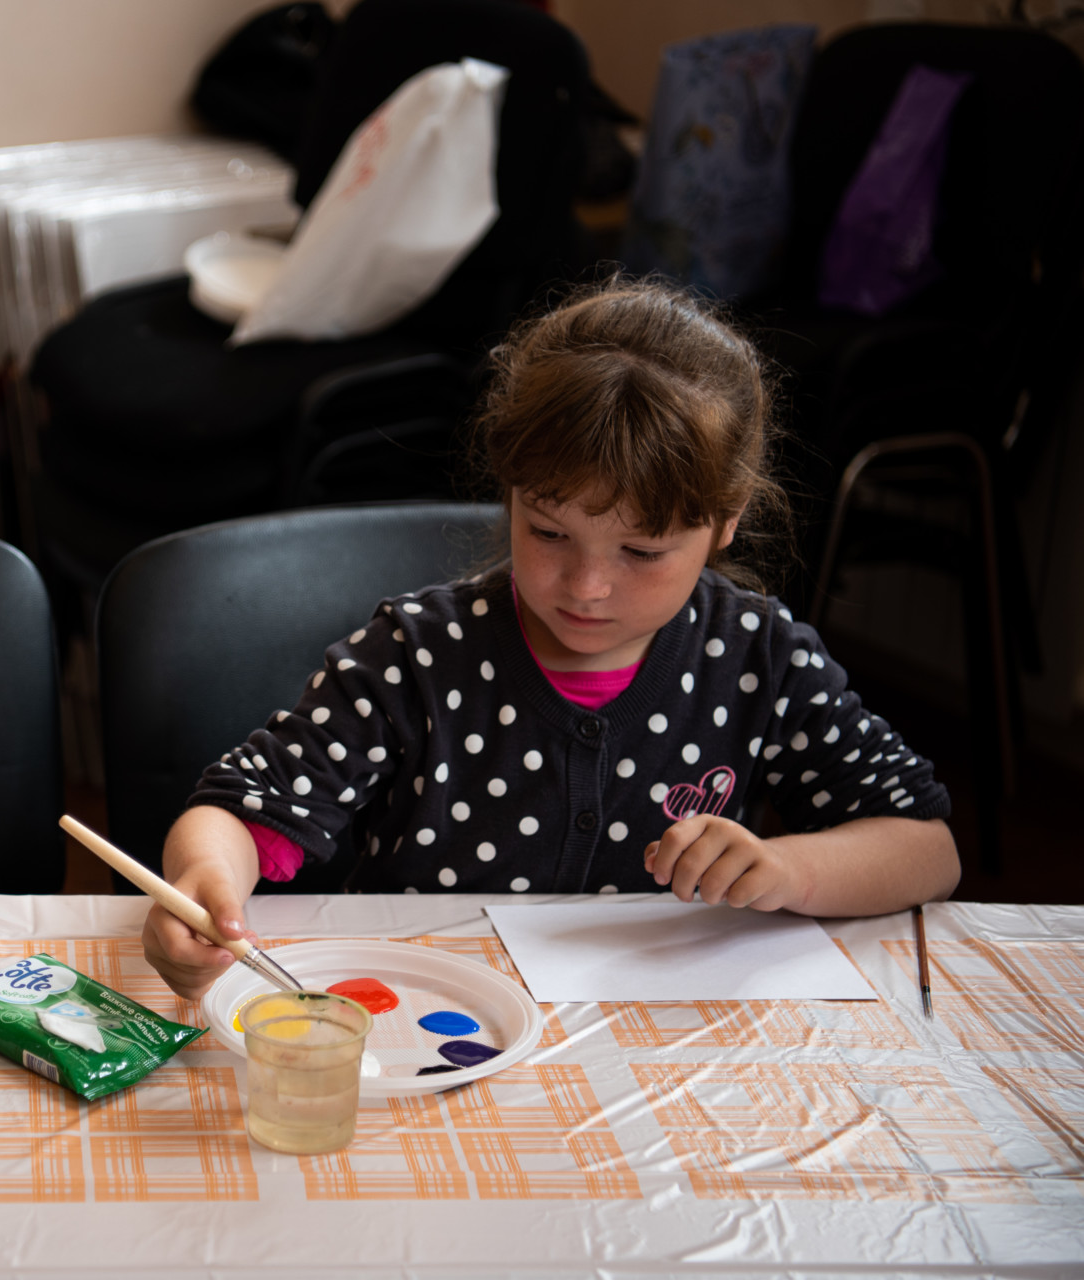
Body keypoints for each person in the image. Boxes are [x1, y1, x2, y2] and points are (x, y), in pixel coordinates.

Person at [145, 279, 960, 998]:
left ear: (725, 519)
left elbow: (926, 850)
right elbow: (242, 811)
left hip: (661, 1048)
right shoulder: (415, 658)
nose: (586, 586)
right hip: (431, 1022)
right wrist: (206, 879)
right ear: (509, 492)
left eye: (641, 551)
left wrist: (788, 869)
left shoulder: (760, 657)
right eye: (547, 532)